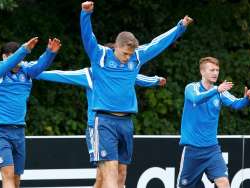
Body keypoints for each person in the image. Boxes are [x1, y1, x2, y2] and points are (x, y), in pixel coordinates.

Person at [80, 1, 193, 187]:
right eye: (124, 54)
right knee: (109, 172)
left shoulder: (136, 57)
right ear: (115, 46)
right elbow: (87, 37)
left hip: (126, 122)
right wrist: (85, 14)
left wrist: (180, 27)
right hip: (104, 122)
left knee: (121, 173)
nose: (127, 59)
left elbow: (158, 43)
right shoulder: (99, 55)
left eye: (129, 55)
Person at [35, 68, 166, 188]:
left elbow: (137, 78)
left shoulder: (121, 72)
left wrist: (155, 80)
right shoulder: (91, 74)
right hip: (97, 128)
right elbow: (62, 75)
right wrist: (35, 71)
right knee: (102, 176)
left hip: (121, 125)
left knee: (121, 172)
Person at [0, 37, 61, 188]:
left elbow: (39, 66)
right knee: (7, 174)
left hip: (19, 130)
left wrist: (50, 53)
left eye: (21, 58)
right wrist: (24, 50)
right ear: (4, 56)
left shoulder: (26, 70)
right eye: (14, 58)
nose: (18, 62)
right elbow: (9, 64)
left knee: (16, 179)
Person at [177, 57, 250, 188]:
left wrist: (247, 99)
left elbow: (236, 103)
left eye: (217, 70)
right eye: (212, 70)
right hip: (192, 151)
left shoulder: (220, 92)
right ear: (202, 72)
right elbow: (196, 99)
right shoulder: (191, 87)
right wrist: (216, 90)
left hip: (212, 150)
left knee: (224, 183)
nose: (215, 73)